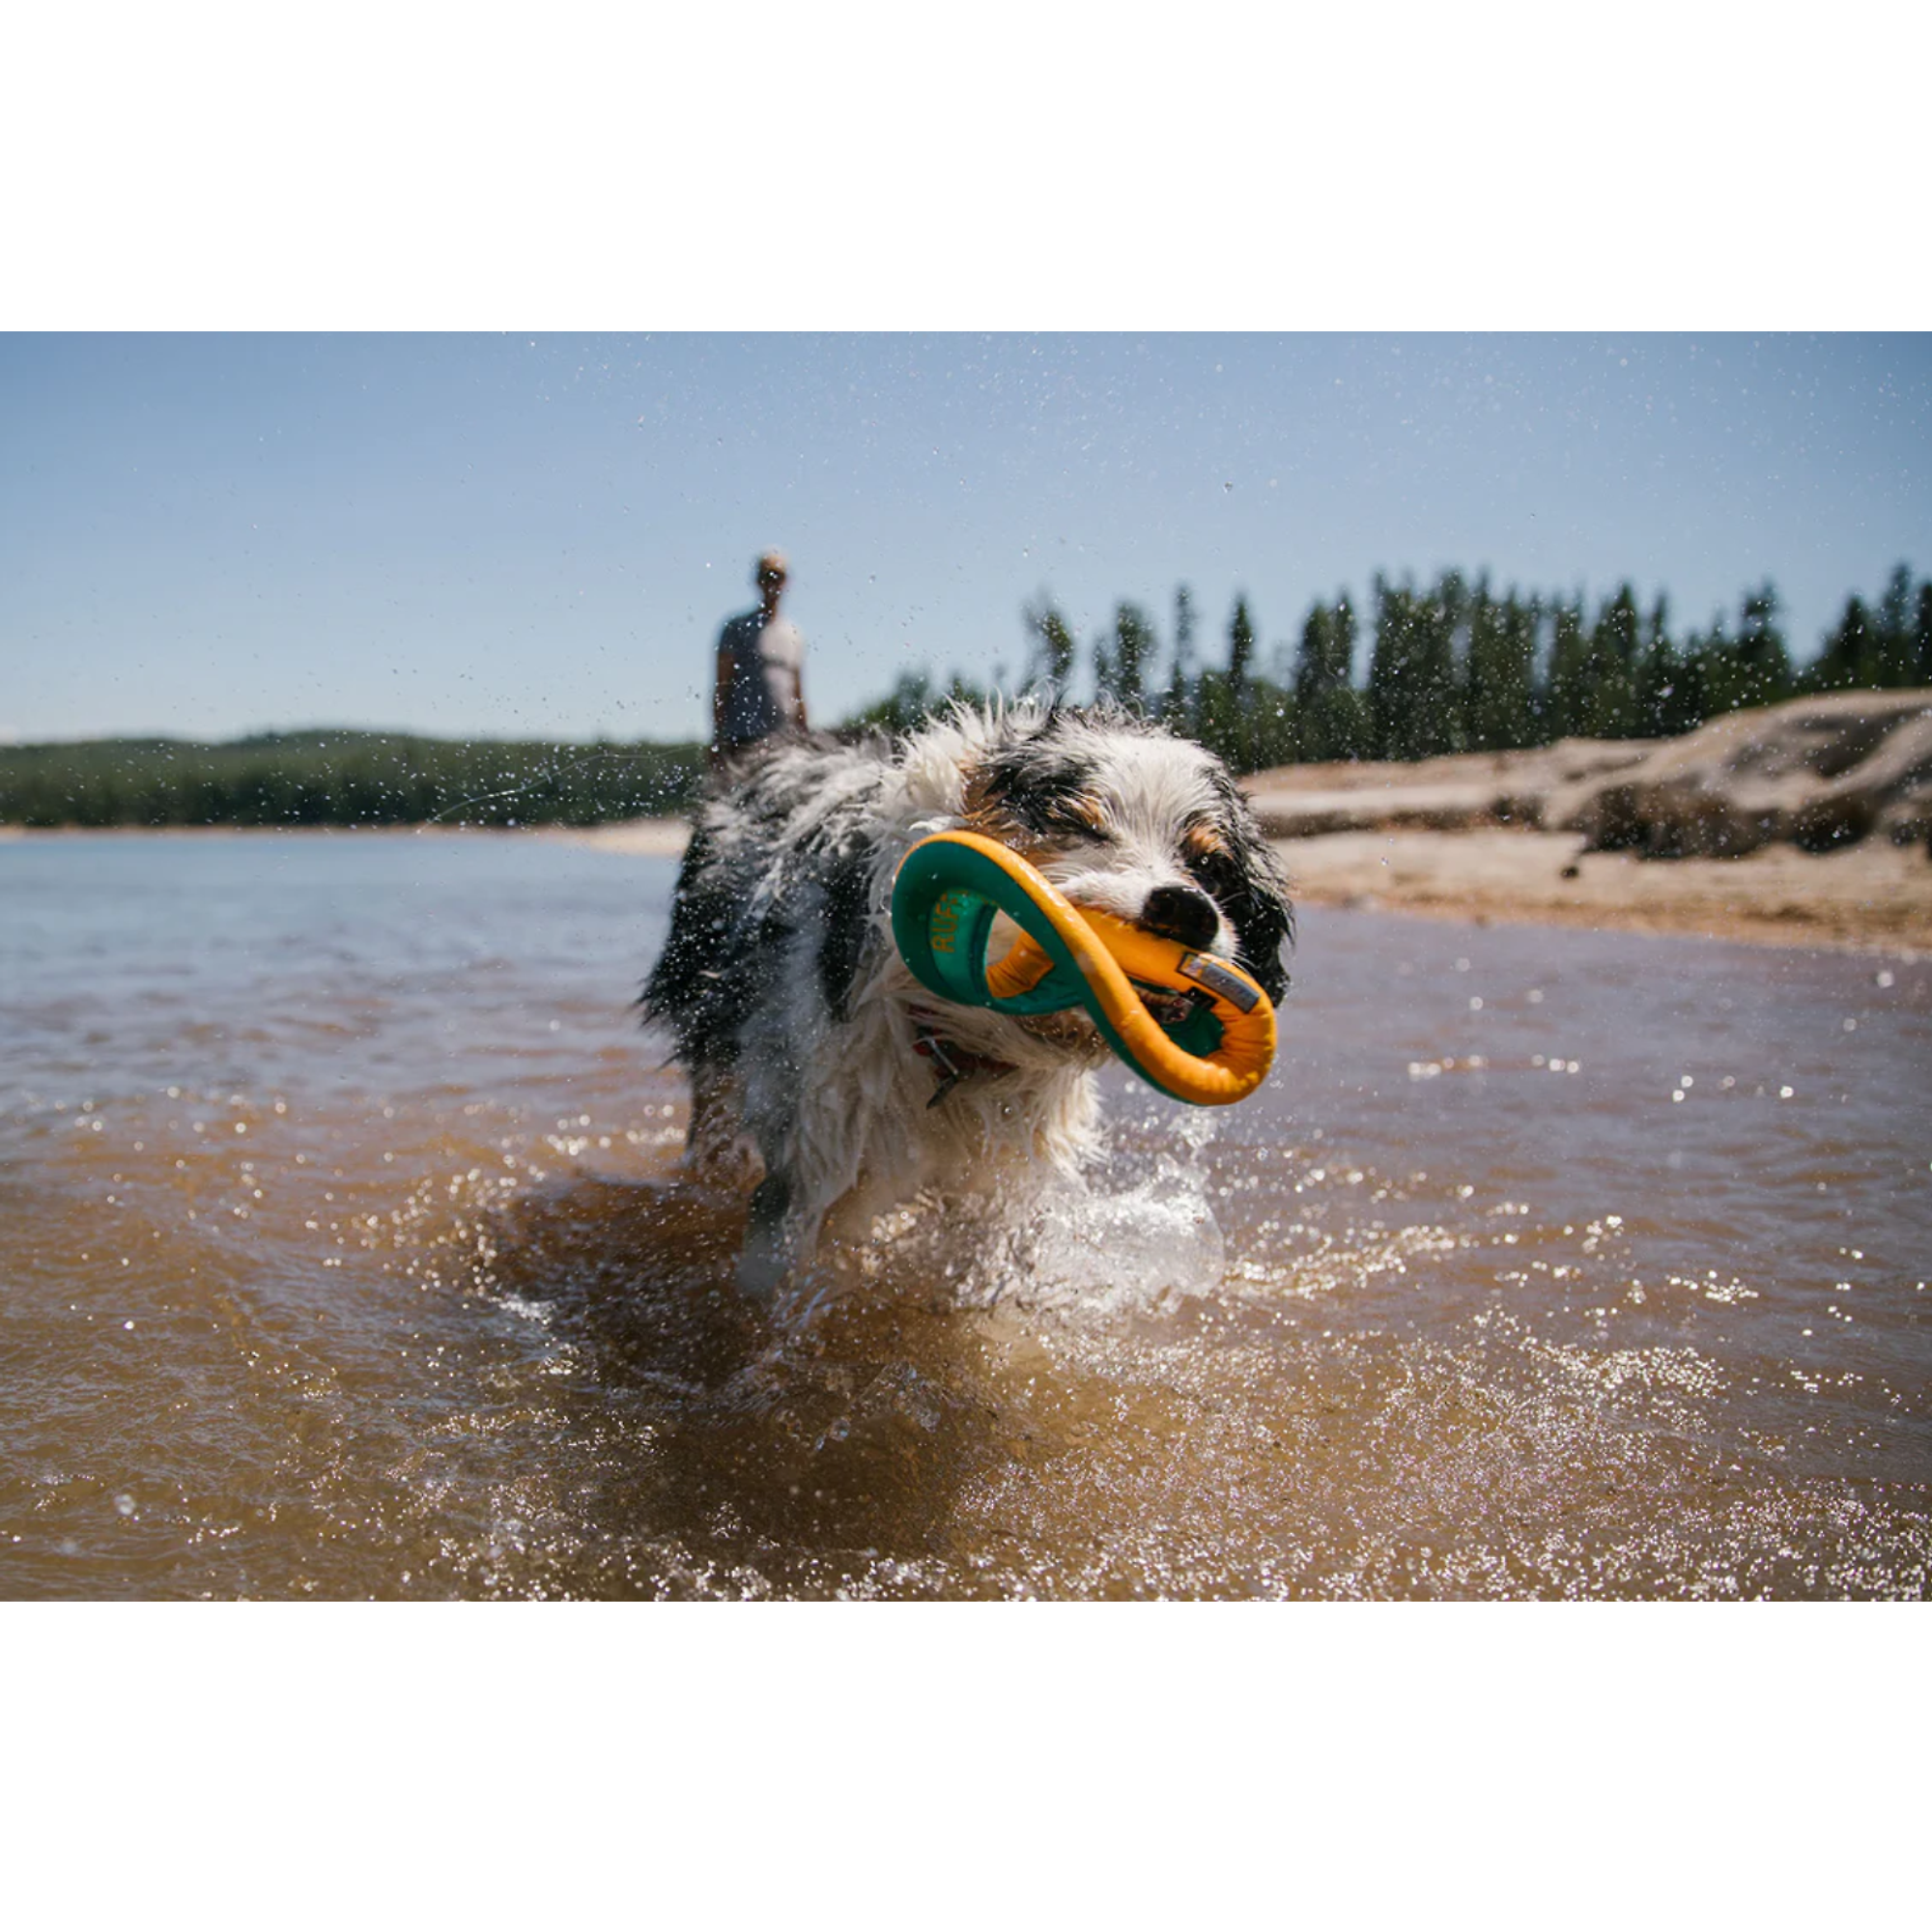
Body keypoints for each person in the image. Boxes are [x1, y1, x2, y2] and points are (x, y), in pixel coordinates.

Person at [710, 551, 808, 769]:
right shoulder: (736, 628)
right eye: (767, 576)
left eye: (777, 577)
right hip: (743, 738)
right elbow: (721, 686)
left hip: (785, 740)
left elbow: (798, 692)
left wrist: (805, 737)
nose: (772, 583)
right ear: (757, 581)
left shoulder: (793, 634)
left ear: (786, 582)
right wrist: (718, 738)